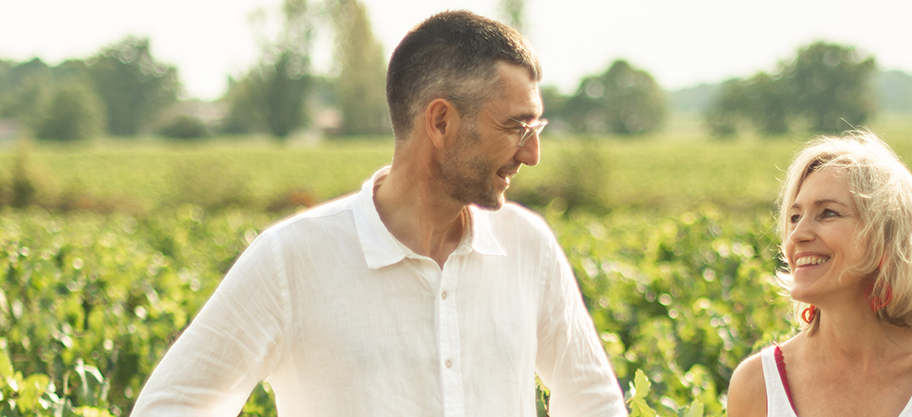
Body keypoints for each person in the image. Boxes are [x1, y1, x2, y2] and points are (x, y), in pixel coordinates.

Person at [133, 11, 626, 416]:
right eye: (517, 126)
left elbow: (595, 403)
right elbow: (171, 407)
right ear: (440, 121)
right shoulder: (293, 259)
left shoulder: (527, 245)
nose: (532, 153)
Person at [726, 132, 912, 417]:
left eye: (827, 213)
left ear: (885, 238)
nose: (797, 235)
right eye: (795, 216)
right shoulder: (755, 385)